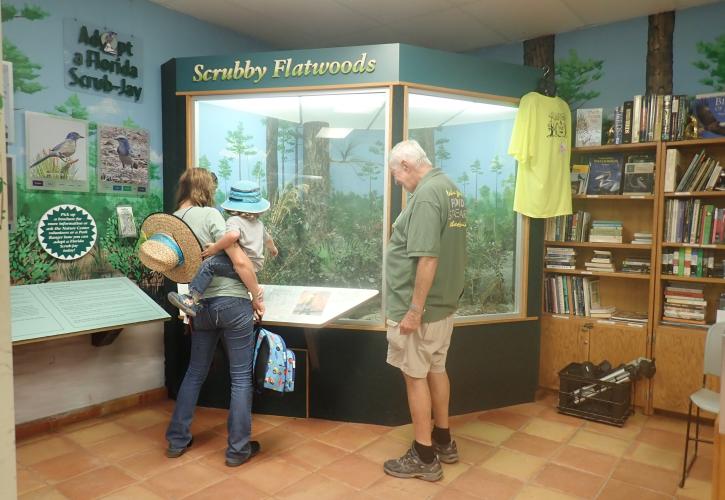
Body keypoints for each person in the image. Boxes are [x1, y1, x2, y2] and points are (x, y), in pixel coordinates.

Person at [153, 168, 264, 467]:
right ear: (207, 188)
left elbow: (181, 267)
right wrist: (257, 295)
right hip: (233, 303)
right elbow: (239, 260)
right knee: (240, 378)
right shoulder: (212, 216)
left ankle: (177, 440)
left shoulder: (175, 220)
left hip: (198, 305)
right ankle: (238, 450)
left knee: (194, 373)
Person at [382, 140, 467, 482]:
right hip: (443, 306)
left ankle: (424, 455)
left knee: (414, 375)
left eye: (396, 176)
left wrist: (414, 310)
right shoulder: (450, 189)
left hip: (421, 311)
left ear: (405, 164)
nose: (398, 182)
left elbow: (428, 256)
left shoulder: (429, 195)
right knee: (436, 368)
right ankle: (443, 440)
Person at [168, 180, 278, 317]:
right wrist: (273, 250)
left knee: (209, 264)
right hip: (255, 266)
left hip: (240, 266)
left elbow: (233, 235)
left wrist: (215, 247)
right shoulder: (259, 224)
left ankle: (190, 299)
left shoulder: (234, 221)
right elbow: (268, 239)